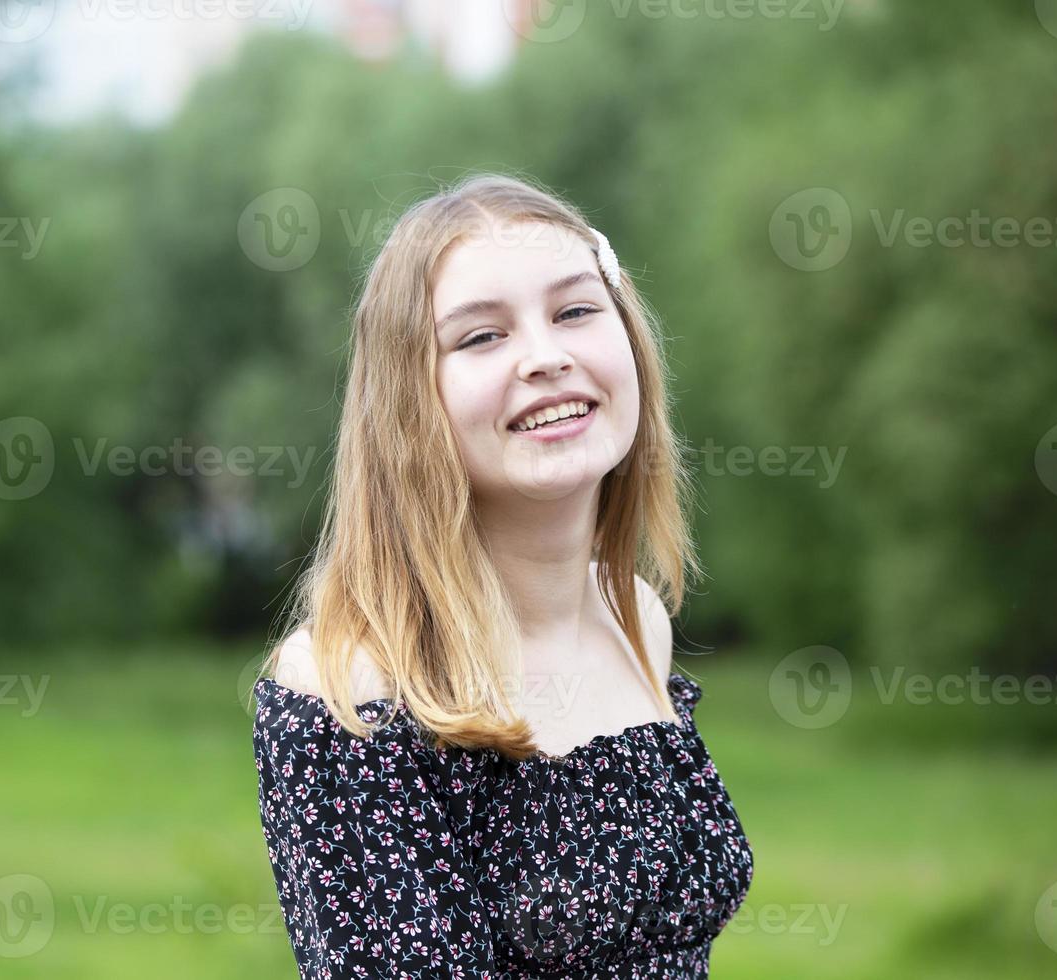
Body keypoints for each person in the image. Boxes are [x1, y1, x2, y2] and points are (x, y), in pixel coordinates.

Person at [249, 173, 754, 978]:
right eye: (482, 337)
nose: (547, 357)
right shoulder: (353, 685)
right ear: (410, 400)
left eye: (576, 311)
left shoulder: (634, 619)